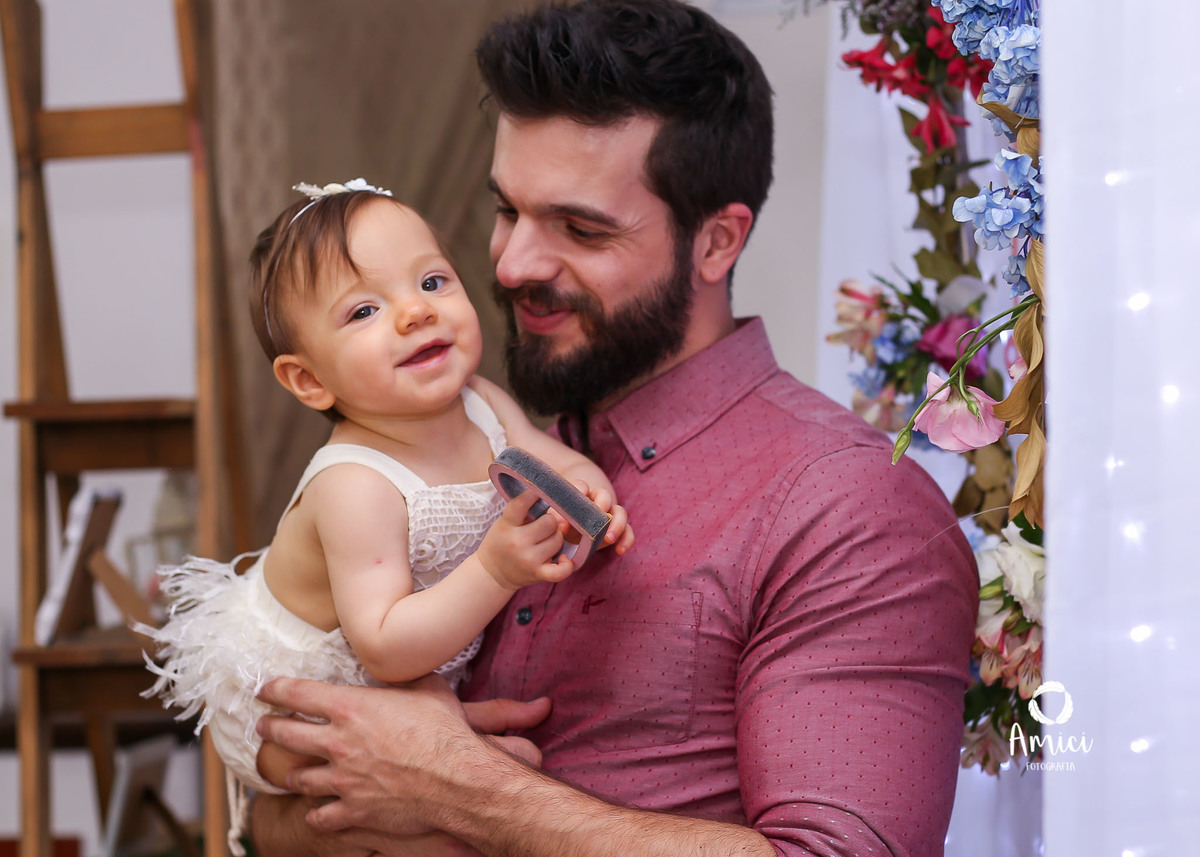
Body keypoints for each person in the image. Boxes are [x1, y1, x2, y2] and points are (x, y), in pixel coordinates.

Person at [251, 2, 980, 856]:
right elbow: (270, 815)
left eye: (579, 228)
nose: (512, 264)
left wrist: (459, 786)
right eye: (507, 211)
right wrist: (322, 794)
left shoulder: (850, 509)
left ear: (716, 241)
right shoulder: (460, 446)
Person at [139, 178, 632, 855]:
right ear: (310, 380)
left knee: (469, 784)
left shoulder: (482, 402)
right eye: (364, 310)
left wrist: (593, 498)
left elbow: (554, 461)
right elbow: (386, 645)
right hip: (289, 694)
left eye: (432, 282)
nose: (415, 313)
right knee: (397, 820)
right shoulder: (355, 483)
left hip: (406, 664)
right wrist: (494, 570)